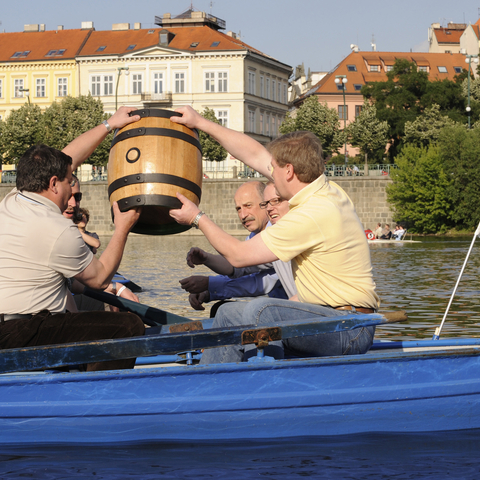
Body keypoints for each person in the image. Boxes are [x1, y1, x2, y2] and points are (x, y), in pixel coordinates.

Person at [169, 106, 379, 364]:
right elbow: (254, 153)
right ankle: (209, 386)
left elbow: (238, 256)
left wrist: (196, 218)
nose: (269, 172)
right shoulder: (324, 188)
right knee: (228, 313)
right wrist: (200, 122)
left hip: (349, 330)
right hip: (324, 318)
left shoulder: (313, 213)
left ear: (289, 171)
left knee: (262, 311)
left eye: (274, 169)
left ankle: (266, 384)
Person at [0, 107, 145, 372]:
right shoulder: (56, 228)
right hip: (21, 332)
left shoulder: (13, 199)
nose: (71, 190)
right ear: (54, 183)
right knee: (128, 326)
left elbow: (69, 157)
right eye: (69, 181)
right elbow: (99, 278)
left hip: (8, 325)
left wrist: (109, 124)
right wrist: (123, 228)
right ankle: (96, 397)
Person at [185, 182, 295, 312]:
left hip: (302, 313)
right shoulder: (255, 236)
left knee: (223, 311)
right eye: (238, 209)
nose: (243, 215)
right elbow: (238, 266)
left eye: (248, 206)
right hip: (290, 310)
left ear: (265, 204)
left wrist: (209, 285)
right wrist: (206, 259)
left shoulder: (279, 233)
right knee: (220, 309)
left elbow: (258, 283)